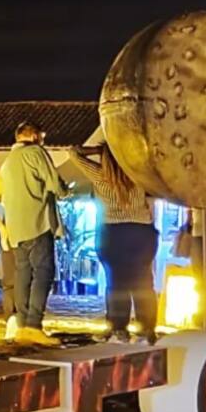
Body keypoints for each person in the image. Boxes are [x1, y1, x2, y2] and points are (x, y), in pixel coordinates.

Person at [0, 122, 66, 346]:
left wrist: (2, 228)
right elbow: (55, 183)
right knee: (43, 273)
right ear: (36, 136)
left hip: (15, 232)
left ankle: (21, 323)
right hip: (37, 225)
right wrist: (65, 190)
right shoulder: (36, 152)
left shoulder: (7, 163)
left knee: (22, 277)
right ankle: (33, 325)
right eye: (42, 136)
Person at [70, 139, 159, 343]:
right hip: (141, 231)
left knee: (116, 282)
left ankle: (119, 328)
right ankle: (147, 328)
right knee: (144, 282)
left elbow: (73, 153)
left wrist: (98, 150)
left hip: (114, 231)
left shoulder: (100, 174)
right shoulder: (137, 172)